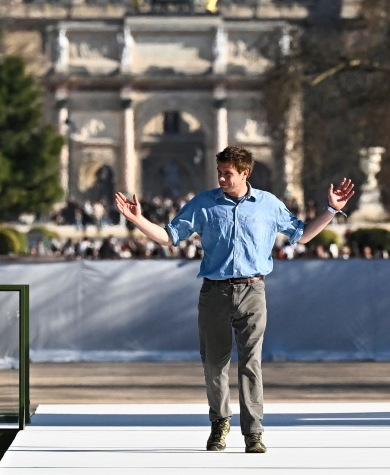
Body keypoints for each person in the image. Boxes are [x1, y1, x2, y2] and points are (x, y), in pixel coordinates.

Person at [115, 146, 354, 454]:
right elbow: (169, 236)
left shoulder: (268, 204)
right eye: (219, 173)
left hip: (253, 292)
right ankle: (219, 423)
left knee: (251, 364)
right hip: (215, 293)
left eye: (228, 174)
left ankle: (254, 431)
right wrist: (139, 220)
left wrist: (331, 210)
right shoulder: (203, 204)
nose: (222, 178)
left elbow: (302, 234)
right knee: (214, 365)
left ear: (245, 173)